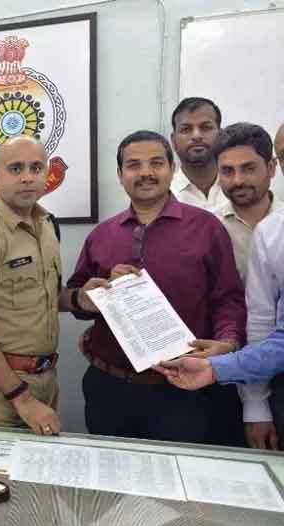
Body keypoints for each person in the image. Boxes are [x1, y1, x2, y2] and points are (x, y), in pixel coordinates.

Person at [66, 130, 245, 444]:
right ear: (120, 175)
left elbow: (228, 298)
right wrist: (91, 297)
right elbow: (78, 300)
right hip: (110, 390)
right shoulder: (102, 235)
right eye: (133, 165)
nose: (146, 172)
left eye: (156, 163)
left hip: (185, 391)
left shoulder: (207, 227)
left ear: (171, 169)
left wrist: (227, 343)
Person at [0, 136, 106, 435]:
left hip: (44, 380)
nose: (28, 177)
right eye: (16, 169)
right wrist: (22, 398)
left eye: (36, 168)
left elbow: (42, 296)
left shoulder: (46, 225)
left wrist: (79, 298)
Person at [210, 123, 282, 449]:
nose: (237, 180)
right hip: (222, 371)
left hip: (275, 369)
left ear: (271, 167)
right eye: (227, 171)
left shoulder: (278, 226)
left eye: (248, 168)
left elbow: (266, 320)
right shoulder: (205, 227)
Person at [169, 97, 227, 210]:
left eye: (206, 128)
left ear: (221, 136)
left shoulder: (238, 187)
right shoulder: (164, 194)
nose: (196, 136)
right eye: (186, 129)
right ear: (173, 140)